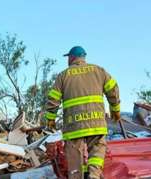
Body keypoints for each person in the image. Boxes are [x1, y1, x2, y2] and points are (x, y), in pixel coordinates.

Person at [44, 46, 120, 179]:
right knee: (97, 150)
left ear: (72, 57)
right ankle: (94, 175)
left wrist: (50, 119)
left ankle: (77, 176)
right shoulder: (99, 70)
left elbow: (53, 99)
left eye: (68, 57)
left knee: (74, 159)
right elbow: (113, 90)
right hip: (95, 123)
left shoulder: (63, 75)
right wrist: (115, 110)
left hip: (74, 126)